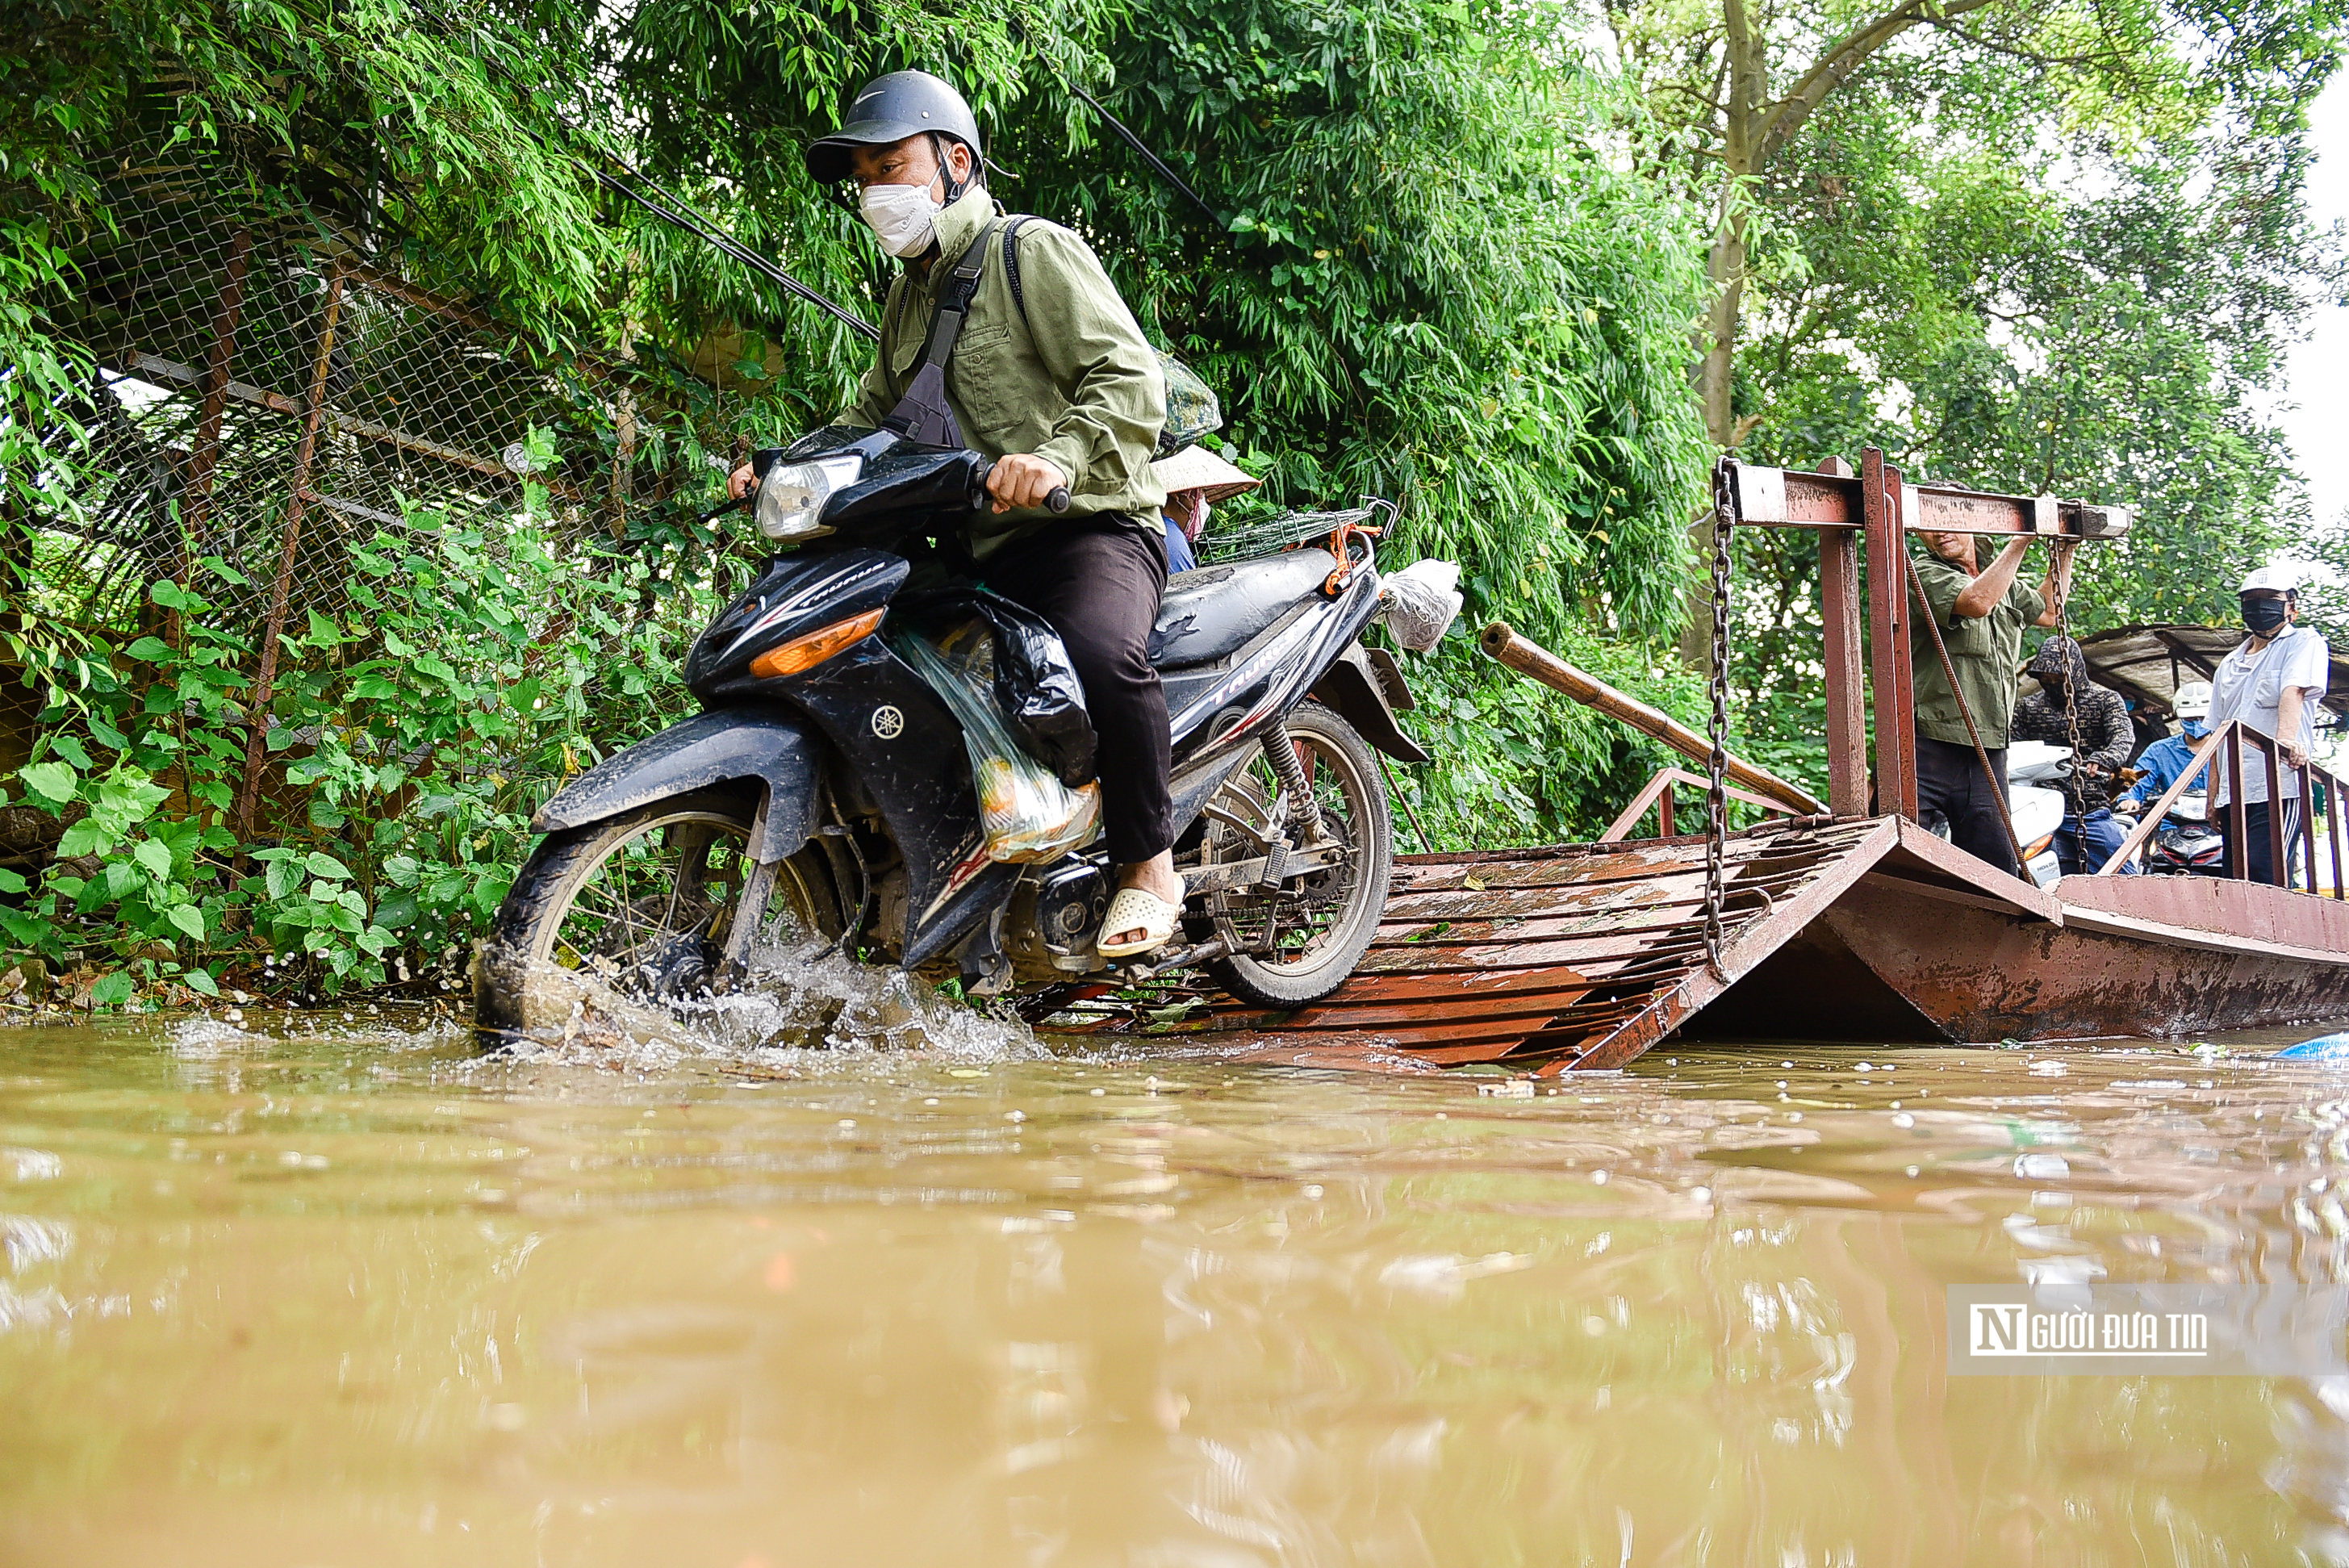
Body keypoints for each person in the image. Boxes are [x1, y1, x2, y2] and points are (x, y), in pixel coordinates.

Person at [728, 71, 1179, 955]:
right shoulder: (911, 295)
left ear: (953, 161)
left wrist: (1053, 457)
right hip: (977, 546)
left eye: (889, 165)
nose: (874, 193)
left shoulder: (1029, 251)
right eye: (862, 177)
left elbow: (1132, 380)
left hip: (1086, 528)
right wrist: (780, 467)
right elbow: (871, 423)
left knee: (1097, 653)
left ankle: (1149, 865)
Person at [1909, 527, 2076, 876]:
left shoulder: (2002, 581)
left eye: (1947, 522)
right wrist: (2022, 539)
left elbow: (2049, 612)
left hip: (1988, 747)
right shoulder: (1922, 572)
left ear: (1971, 524)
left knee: (1997, 870)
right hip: (1927, 746)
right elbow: (1977, 602)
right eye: (1926, 527)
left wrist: (2065, 548)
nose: (1938, 534)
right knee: (1905, 864)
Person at [2205, 565, 2331, 886]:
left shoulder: (2303, 641)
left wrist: (2286, 740)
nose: (2261, 606)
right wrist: (2213, 798)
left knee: (2266, 870)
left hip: (2277, 783)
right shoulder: (2229, 664)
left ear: (2292, 606)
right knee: (2235, 876)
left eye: (2271, 598)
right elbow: (2217, 733)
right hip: (2234, 789)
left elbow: (2294, 690)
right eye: (2253, 600)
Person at [2010, 635, 2136, 873]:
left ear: (2075, 674)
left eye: (2058, 679)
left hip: (2088, 808)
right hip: (2036, 806)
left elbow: (2123, 737)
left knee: (2122, 871)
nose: (2051, 684)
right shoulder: (2028, 707)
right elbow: (2011, 748)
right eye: (2046, 679)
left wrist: (2102, 759)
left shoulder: (2105, 701)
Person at [1148, 445, 1259, 573]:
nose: (1202, 506)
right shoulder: (1168, 534)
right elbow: (1189, 590)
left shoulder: (1150, 526)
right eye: (1199, 496)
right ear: (1177, 496)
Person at [2116, 679, 2213, 817]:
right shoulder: (2159, 751)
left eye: (2203, 718)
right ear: (2179, 716)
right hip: (2173, 824)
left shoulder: (2229, 747)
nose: (2197, 723)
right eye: (2190, 719)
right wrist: (2128, 799)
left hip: (2221, 822)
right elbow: (2136, 780)